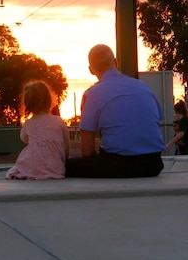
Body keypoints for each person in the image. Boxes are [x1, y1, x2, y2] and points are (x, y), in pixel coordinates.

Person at [64, 44, 166, 178]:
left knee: (64, 167)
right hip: (153, 164)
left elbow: (87, 151)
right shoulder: (143, 87)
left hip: (118, 164)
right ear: (116, 62)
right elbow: (156, 121)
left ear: (91, 70)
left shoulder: (92, 95)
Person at [6, 80, 70, 180]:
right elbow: (66, 145)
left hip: (32, 167)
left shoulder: (28, 123)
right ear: (49, 100)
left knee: (17, 168)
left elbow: (24, 138)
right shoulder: (59, 121)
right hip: (56, 170)